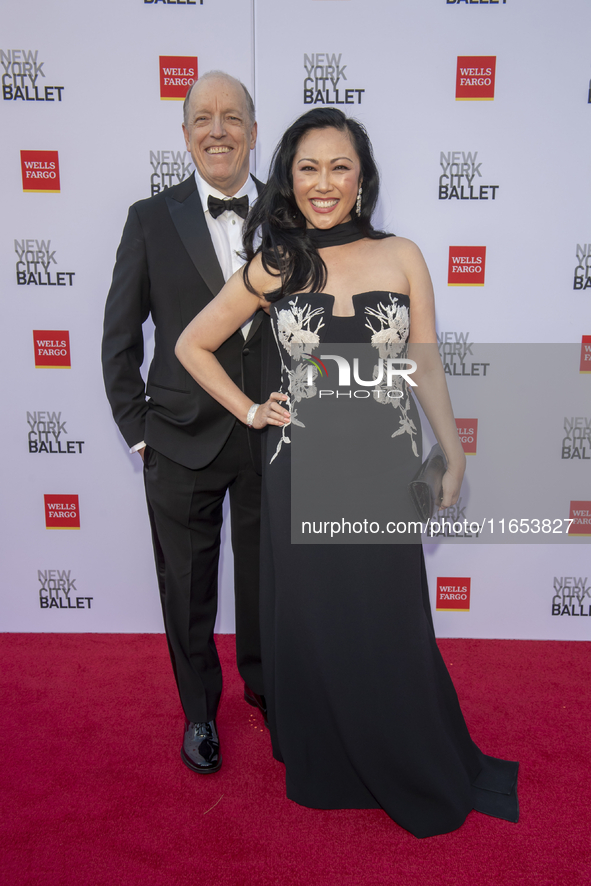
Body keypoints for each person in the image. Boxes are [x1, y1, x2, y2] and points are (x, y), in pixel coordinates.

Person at [175, 108, 519, 836]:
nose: (323, 183)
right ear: (288, 179)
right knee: (319, 623)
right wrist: (248, 409)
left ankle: (405, 750)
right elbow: (191, 345)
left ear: (361, 177)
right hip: (302, 468)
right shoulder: (274, 264)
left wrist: (451, 449)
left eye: (339, 167)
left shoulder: (402, 255)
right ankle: (327, 761)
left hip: (383, 464)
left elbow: (422, 364)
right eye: (307, 167)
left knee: (386, 619)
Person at [102, 71, 268, 775]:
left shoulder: (287, 217)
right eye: (203, 118)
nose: (218, 130)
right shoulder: (149, 218)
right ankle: (200, 713)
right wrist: (139, 430)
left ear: (254, 132)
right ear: (185, 135)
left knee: (269, 582)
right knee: (188, 589)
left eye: (233, 117)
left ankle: (270, 690)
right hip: (177, 439)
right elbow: (118, 336)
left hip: (271, 437)